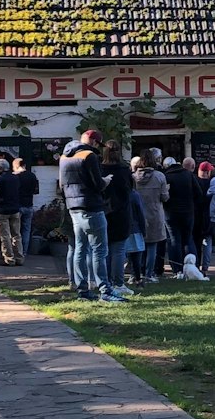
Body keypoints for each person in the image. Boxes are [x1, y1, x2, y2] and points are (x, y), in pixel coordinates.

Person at [60, 129, 119, 301]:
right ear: (93, 142)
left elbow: (62, 184)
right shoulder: (89, 156)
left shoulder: (64, 157)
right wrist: (106, 180)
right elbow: (98, 184)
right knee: (99, 250)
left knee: (80, 248)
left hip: (73, 207)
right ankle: (105, 290)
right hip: (91, 207)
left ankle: (82, 291)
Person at [99, 139, 136, 293]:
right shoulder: (124, 170)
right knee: (119, 249)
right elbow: (129, 191)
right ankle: (118, 283)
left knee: (105, 250)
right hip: (121, 212)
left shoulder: (100, 169)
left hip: (104, 211)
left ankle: (106, 281)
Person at [131, 151, 171, 282]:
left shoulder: (133, 177)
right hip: (154, 214)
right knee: (152, 246)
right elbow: (164, 197)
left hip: (137, 215)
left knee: (137, 246)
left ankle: (136, 273)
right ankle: (149, 274)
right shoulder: (159, 176)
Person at [164, 156, 196, 273]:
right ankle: (192, 265)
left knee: (174, 241)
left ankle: (177, 268)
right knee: (188, 239)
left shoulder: (166, 177)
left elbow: (164, 196)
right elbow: (198, 193)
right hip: (188, 212)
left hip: (171, 213)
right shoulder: (188, 175)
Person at [0, 157, 24, 266]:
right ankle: (19, 257)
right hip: (15, 208)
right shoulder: (15, 178)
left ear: (0, 168)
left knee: (5, 235)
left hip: (3, 209)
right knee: (16, 234)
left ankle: (9, 259)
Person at [192, 161, 215, 273]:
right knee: (208, 242)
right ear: (207, 172)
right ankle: (205, 267)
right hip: (208, 215)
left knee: (195, 242)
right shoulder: (212, 184)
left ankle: (196, 265)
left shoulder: (194, 181)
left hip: (196, 215)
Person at [15, 154, 39, 257]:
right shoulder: (32, 176)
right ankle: (24, 251)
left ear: (16, 166)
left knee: (16, 230)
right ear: (24, 165)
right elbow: (36, 190)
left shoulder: (16, 176)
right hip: (29, 204)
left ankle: (17, 251)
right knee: (26, 229)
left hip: (18, 205)